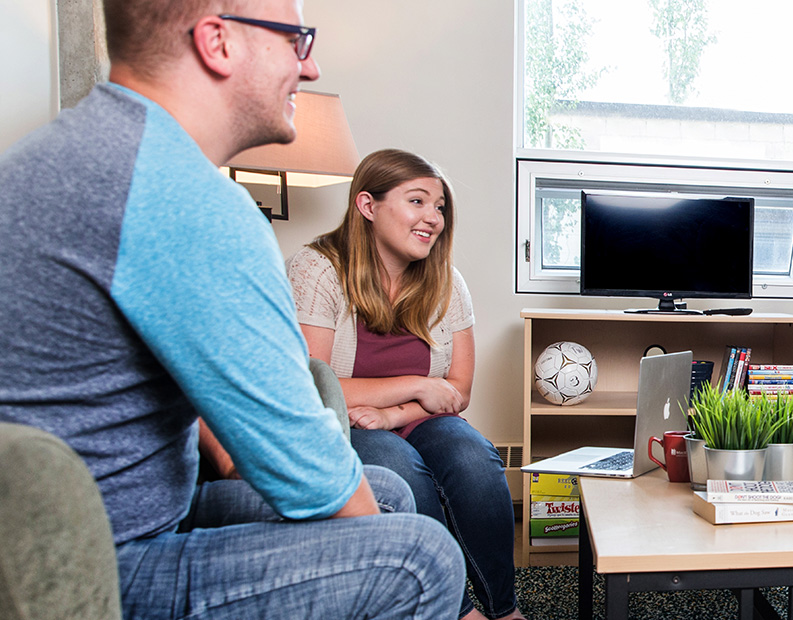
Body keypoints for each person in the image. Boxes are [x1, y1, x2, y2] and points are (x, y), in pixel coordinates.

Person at [0, 1, 465, 617]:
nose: (313, 67)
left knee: (388, 491)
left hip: (121, 513)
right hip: (106, 560)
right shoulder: (181, 196)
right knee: (420, 558)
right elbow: (314, 477)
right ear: (217, 42)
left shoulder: (79, 152)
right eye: (296, 40)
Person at [287, 148, 523, 620]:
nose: (433, 218)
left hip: (418, 417)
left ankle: (504, 608)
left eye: (439, 207)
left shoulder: (448, 282)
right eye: (417, 201)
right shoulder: (316, 269)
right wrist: (417, 383)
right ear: (368, 206)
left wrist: (396, 412)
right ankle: (453, 607)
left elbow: (457, 389)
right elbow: (313, 384)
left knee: (475, 460)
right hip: (346, 423)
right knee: (399, 470)